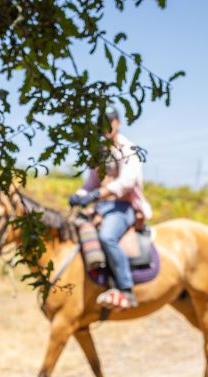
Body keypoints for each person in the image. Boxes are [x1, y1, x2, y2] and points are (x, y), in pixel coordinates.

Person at [69, 108, 153, 310]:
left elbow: (126, 182)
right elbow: (91, 183)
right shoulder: (99, 152)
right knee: (73, 227)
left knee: (107, 237)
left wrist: (97, 194)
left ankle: (126, 289)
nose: (105, 127)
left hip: (124, 207)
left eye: (109, 122)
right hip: (102, 206)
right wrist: (79, 195)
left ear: (118, 123)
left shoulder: (128, 149)